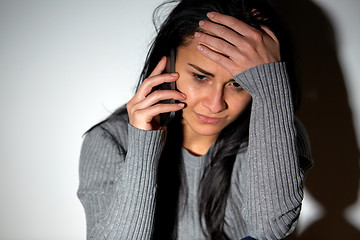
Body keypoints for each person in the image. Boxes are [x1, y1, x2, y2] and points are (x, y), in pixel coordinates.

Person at [77, 0, 313, 239]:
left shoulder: (278, 131)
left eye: (237, 84)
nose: (215, 104)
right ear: (168, 61)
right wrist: (143, 146)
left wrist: (271, 90)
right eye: (201, 77)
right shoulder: (111, 140)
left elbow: (270, 228)